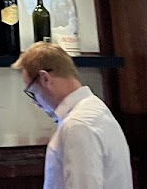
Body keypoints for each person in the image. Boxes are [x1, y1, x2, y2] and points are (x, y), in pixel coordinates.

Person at [14, 41, 132, 188]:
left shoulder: (77, 125)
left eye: (33, 93)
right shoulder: (96, 109)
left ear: (45, 78)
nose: (36, 103)